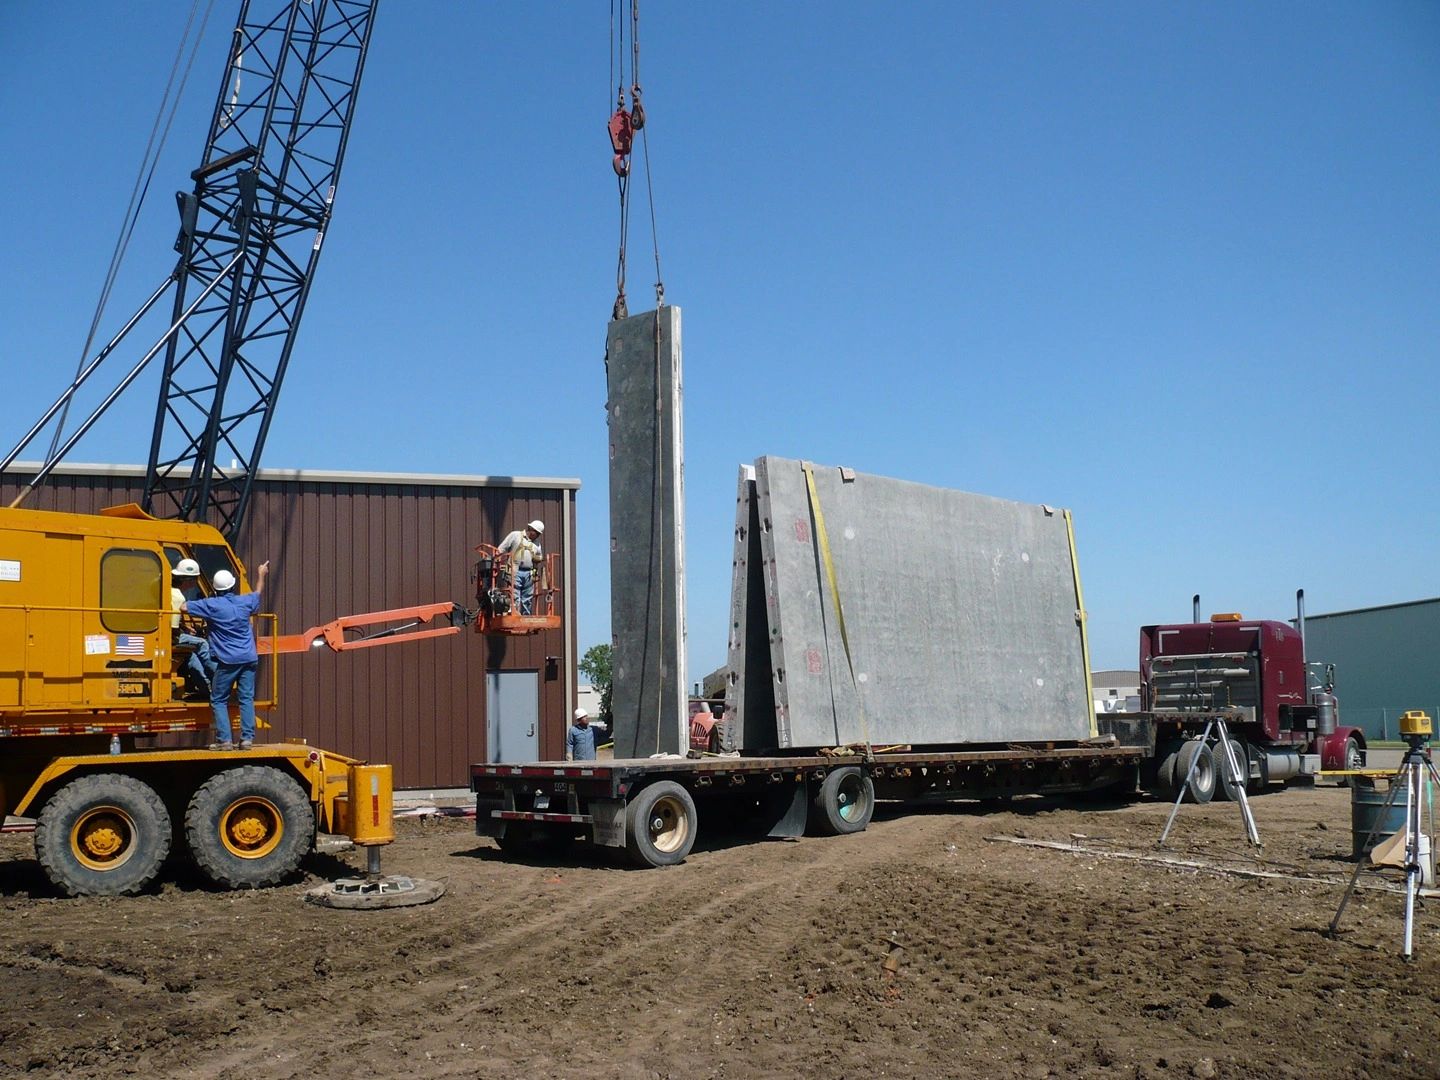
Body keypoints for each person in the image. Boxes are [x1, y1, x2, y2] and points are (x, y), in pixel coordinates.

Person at [183, 561, 269, 751]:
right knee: (246, 698)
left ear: (215, 588)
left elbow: (183, 607)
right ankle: (247, 740)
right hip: (249, 658)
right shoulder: (245, 601)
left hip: (228, 661)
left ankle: (225, 741)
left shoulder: (211, 605)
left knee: (218, 699)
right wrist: (261, 573)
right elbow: (258, 594)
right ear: (232, 586)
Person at [170, 558, 216, 698]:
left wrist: (185, 627)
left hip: (167, 634)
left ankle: (205, 688)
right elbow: (173, 629)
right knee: (202, 643)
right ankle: (218, 676)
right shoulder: (178, 597)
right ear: (189, 581)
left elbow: (170, 619)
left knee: (190, 656)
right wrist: (183, 631)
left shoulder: (169, 591)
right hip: (170, 638)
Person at [496, 520, 544, 615]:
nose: (538, 535)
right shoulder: (515, 535)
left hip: (529, 573)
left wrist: (537, 559)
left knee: (528, 597)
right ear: (531, 529)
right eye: (537, 533)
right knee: (515, 595)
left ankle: (526, 617)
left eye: (539, 534)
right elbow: (501, 549)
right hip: (515, 570)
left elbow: (539, 557)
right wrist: (496, 557)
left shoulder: (537, 544)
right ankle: (515, 614)